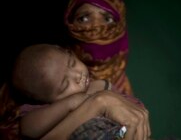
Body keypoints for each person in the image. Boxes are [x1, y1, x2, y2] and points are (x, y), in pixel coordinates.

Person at [0, 44, 150, 140]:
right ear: (45, 101)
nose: (78, 75)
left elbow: (129, 108)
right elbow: (27, 128)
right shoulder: (48, 109)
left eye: (72, 63)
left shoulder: (100, 85)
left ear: (70, 52)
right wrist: (71, 103)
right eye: (65, 84)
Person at [64, 0, 133, 95]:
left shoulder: (125, 91)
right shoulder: (50, 84)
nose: (96, 26)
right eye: (84, 19)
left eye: (107, 19)